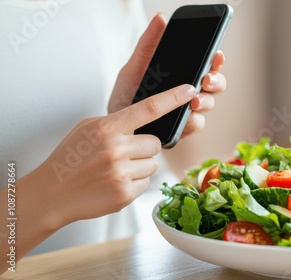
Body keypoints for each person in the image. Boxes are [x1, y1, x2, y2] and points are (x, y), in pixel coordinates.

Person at [0, 1, 227, 274]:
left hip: (121, 265)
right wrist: (50, 195)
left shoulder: (117, 5)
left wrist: (127, 119)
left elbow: (130, 165)